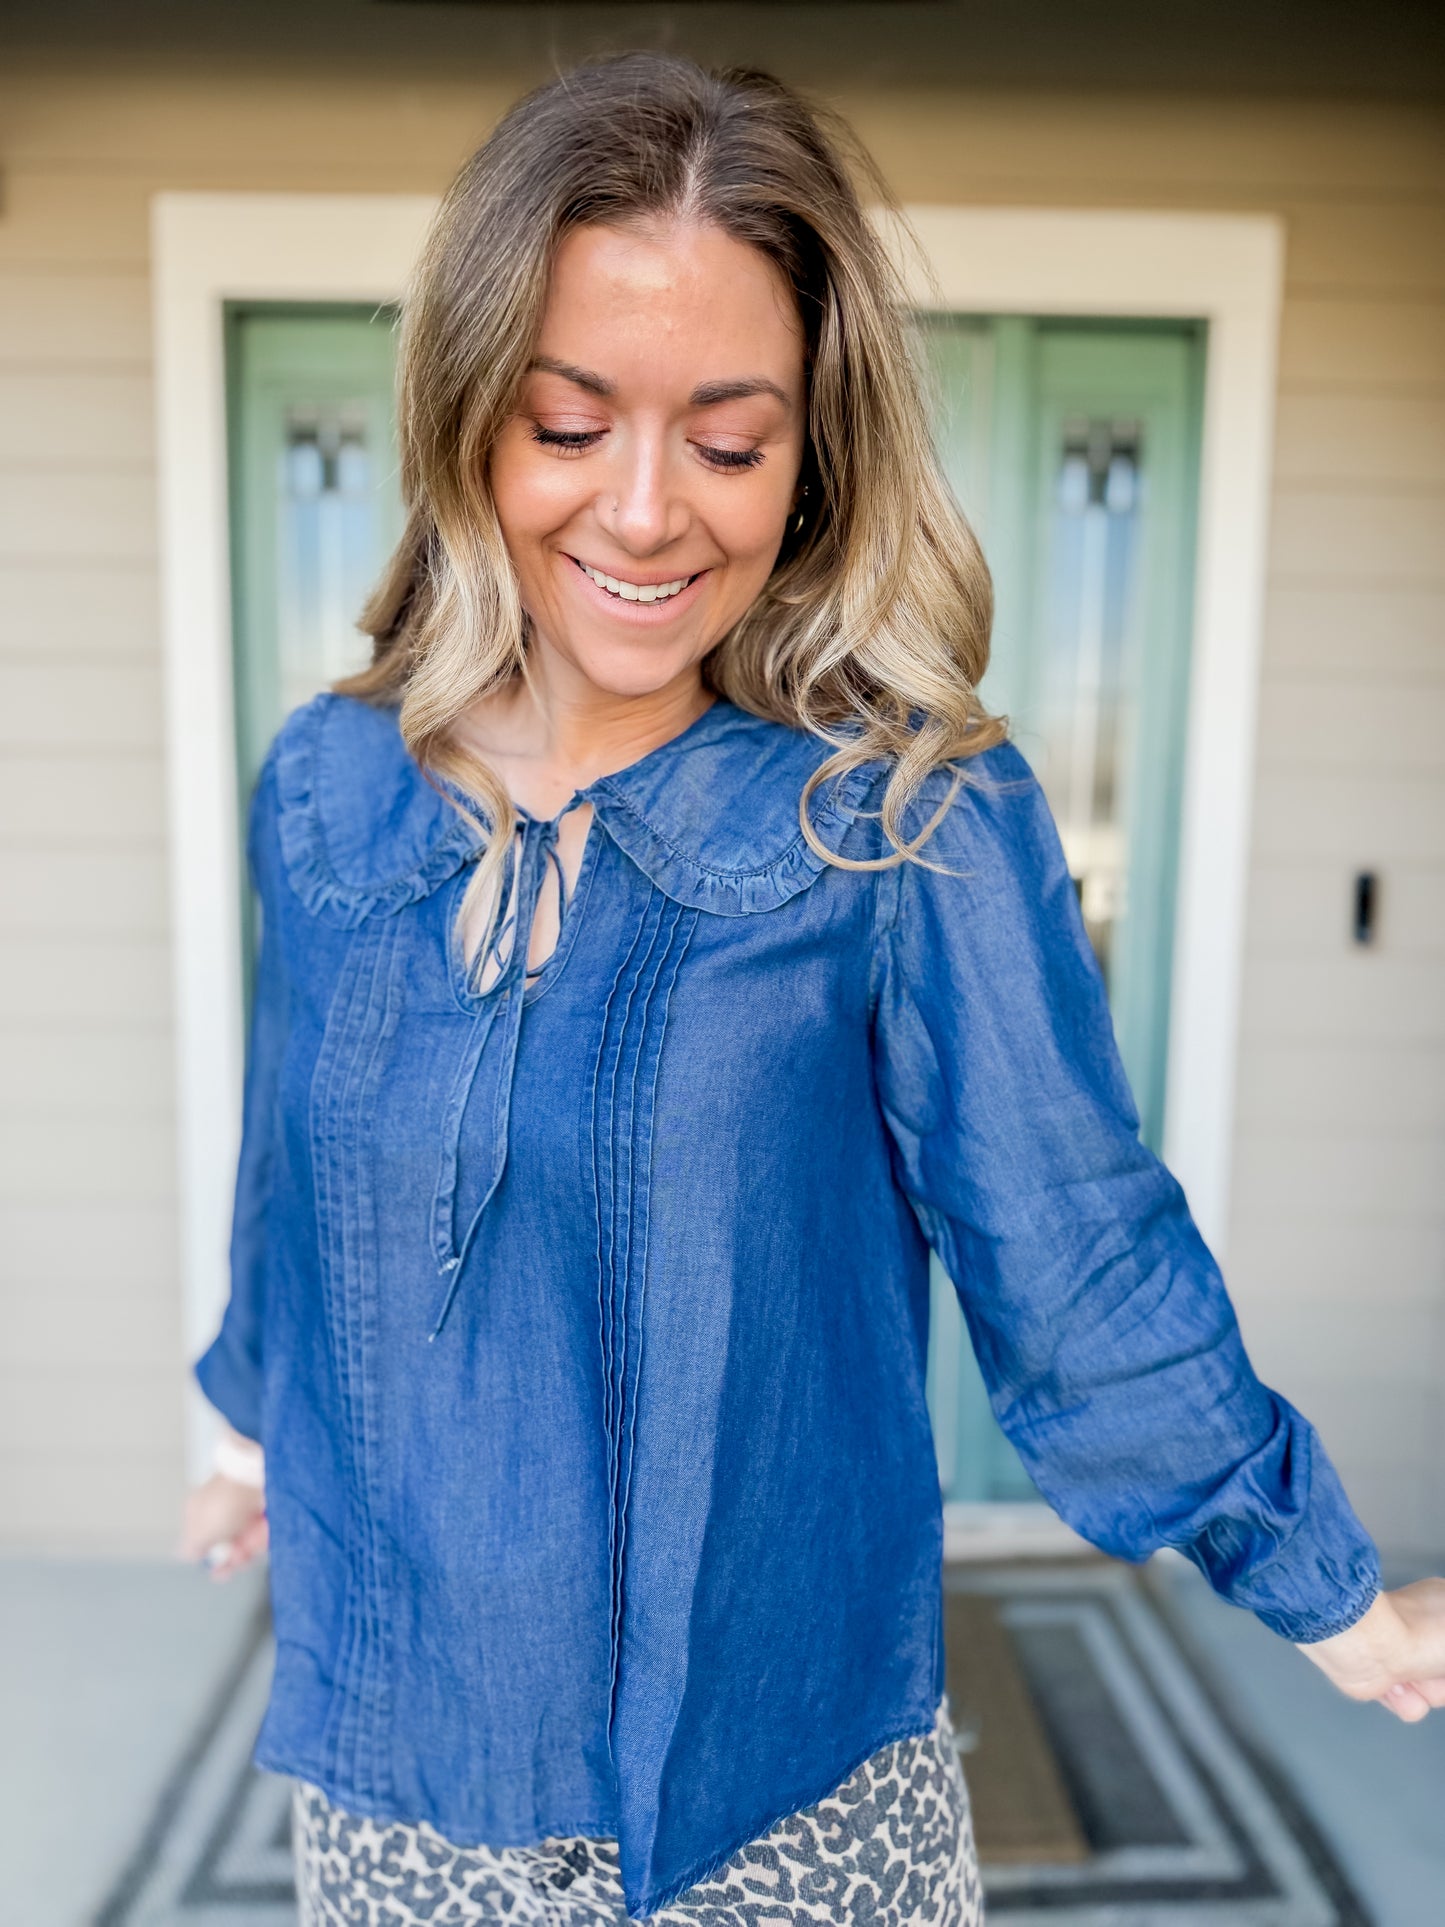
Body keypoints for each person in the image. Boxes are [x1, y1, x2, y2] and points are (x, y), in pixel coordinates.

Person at [178, 50, 1445, 1927]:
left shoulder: (900, 825)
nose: (640, 511)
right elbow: (298, 1162)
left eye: (728, 438)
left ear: (812, 455)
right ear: (468, 420)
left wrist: (1318, 1586)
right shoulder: (332, 782)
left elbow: (1069, 1241)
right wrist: (248, 1424)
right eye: (568, 420)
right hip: (398, 1780)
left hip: (776, 1818)